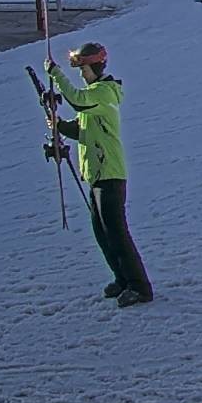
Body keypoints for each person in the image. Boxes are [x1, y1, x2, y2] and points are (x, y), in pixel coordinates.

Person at [46, 42, 153, 306]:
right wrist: (59, 125)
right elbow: (83, 131)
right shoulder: (94, 97)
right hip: (95, 174)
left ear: (95, 66)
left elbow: (77, 101)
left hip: (110, 174)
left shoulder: (103, 93)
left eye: (84, 68)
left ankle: (140, 287)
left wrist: (56, 74)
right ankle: (122, 279)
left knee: (117, 233)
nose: (82, 74)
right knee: (102, 233)